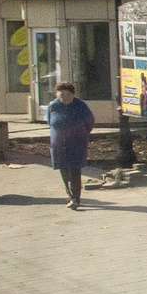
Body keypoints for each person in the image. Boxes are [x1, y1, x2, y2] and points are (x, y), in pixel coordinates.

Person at [46, 81, 95, 210]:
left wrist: (81, 134)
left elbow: (89, 122)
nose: (65, 98)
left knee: (74, 170)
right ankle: (69, 195)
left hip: (76, 143)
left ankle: (75, 198)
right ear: (56, 94)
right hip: (59, 144)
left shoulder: (81, 106)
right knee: (63, 170)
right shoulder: (52, 106)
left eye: (68, 95)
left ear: (73, 95)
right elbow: (50, 123)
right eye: (61, 95)